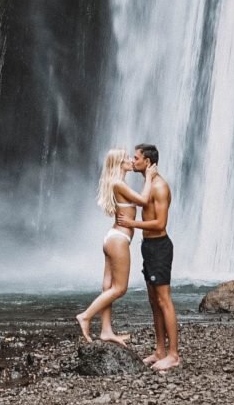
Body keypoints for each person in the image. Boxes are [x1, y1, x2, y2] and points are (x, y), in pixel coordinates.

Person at [124, 143, 179, 371]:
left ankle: (174, 355)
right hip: (148, 245)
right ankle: (159, 350)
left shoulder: (159, 187)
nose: (132, 160)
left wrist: (132, 224)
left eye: (136, 158)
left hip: (160, 247)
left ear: (147, 162)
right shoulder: (149, 184)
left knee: (164, 300)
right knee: (153, 301)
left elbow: (160, 223)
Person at [76, 147, 138, 343]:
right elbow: (144, 200)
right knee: (120, 289)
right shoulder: (119, 184)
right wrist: (152, 177)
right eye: (127, 158)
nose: (131, 160)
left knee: (108, 286)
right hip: (119, 240)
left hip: (112, 237)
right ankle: (85, 316)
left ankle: (106, 331)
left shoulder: (116, 183)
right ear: (119, 163)